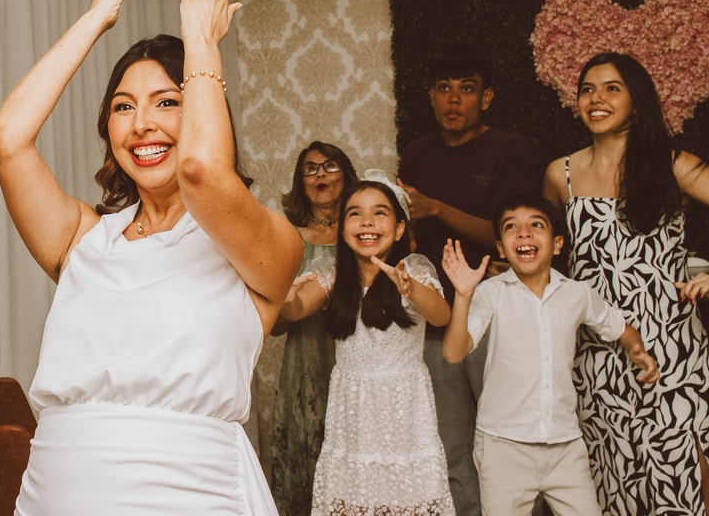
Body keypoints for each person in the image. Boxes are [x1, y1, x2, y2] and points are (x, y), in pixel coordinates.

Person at [0, 0, 302, 515]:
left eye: (167, 102)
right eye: (123, 107)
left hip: (189, 498)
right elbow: (6, 138)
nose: (141, 124)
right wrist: (94, 19)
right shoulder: (80, 240)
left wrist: (201, 39)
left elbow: (202, 170)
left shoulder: (263, 245)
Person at [543, 52, 709, 516]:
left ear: (637, 102)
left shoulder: (675, 166)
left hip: (672, 350)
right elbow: (549, 255)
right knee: (616, 484)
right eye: (587, 89)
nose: (596, 99)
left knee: (692, 478)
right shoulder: (561, 175)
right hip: (596, 355)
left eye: (611, 88)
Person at [442, 194, 660, 516]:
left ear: (557, 244)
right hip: (503, 447)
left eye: (536, 225)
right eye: (511, 227)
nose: (524, 233)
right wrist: (463, 295)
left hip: (565, 445)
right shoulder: (490, 293)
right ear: (501, 248)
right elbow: (453, 352)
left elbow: (617, 325)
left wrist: (637, 350)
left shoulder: (577, 294)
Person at [396, 42, 536, 516]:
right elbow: (407, 235)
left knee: (510, 439)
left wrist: (436, 207)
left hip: (495, 317)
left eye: (467, 89)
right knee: (451, 446)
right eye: (444, 88)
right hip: (436, 321)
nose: (453, 99)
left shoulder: (510, 149)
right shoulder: (417, 152)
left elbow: (509, 234)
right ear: (431, 96)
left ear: (487, 97)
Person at [279, 173, 454, 516]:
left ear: (399, 228)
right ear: (342, 229)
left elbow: (441, 316)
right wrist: (285, 297)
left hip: (404, 409)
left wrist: (409, 288)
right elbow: (296, 310)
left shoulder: (413, 270)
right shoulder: (333, 274)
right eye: (355, 213)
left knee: (407, 496)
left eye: (379, 213)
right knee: (357, 495)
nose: (367, 222)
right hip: (354, 411)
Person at [269, 142, 356, 516]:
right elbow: (275, 326)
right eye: (310, 168)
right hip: (305, 365)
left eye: (330, 165)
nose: (320, 174)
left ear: (346, 176)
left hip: (360, 362)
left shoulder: (367, 231)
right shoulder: (288, 238)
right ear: (301, 182)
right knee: (307, 466)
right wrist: (289, 302)